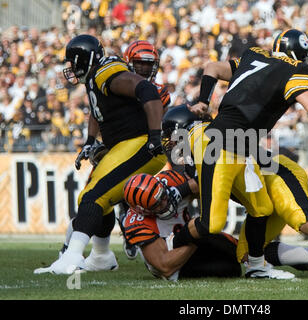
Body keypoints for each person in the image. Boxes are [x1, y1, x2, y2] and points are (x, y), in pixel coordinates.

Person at [181, 29, 308, 281]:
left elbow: (212, 67)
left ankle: (257, 268)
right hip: (222, 143)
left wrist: (204, 100)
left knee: (261, 208)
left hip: (241, 146)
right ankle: (171, 242)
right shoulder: (295, 72)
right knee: (211, 223)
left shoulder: (254, 57)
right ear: (302, 54)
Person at [163, 105, 308, 282]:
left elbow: (215, 169)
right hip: (263, 189)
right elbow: (206, 179)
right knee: (246, 254)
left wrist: (176, 194)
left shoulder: (206, 138)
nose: (171, 145)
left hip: (279, 176)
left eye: (171, 139)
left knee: (305, 221)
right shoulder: (201, 149)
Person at [34, 34, 167, 275]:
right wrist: (89, 141)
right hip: (125, 145)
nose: (71, 68)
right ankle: (101, 256)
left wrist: (155, 138)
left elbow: (147, 90)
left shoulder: (105, 72)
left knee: (93, 198)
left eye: (74, 62)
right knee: (91, 199)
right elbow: (97, 111)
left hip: (141, 145)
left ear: (86, 59)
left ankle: (72, 257)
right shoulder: (95, 79)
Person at [120, 170, 242, 280]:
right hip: (175, 262)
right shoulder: (137, 223)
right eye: (156, 205)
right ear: (143, 210)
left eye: (163, 196)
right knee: (230, 268)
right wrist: (195, 238)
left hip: (191, 236)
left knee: (235, 250)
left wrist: (183, 189)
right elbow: (165, 267)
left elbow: (209, 180)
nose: (165, 203)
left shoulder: (170, 181)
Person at [120, 39, 171, 259]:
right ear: (129, 63)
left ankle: (147, 234)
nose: (143, 68)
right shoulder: (120, 87)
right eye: (139, 63)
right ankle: (99, 249)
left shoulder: (161, 91)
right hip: (123, 145)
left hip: (151, 147)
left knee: (151, 193)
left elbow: (162, 120)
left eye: (148, 64)